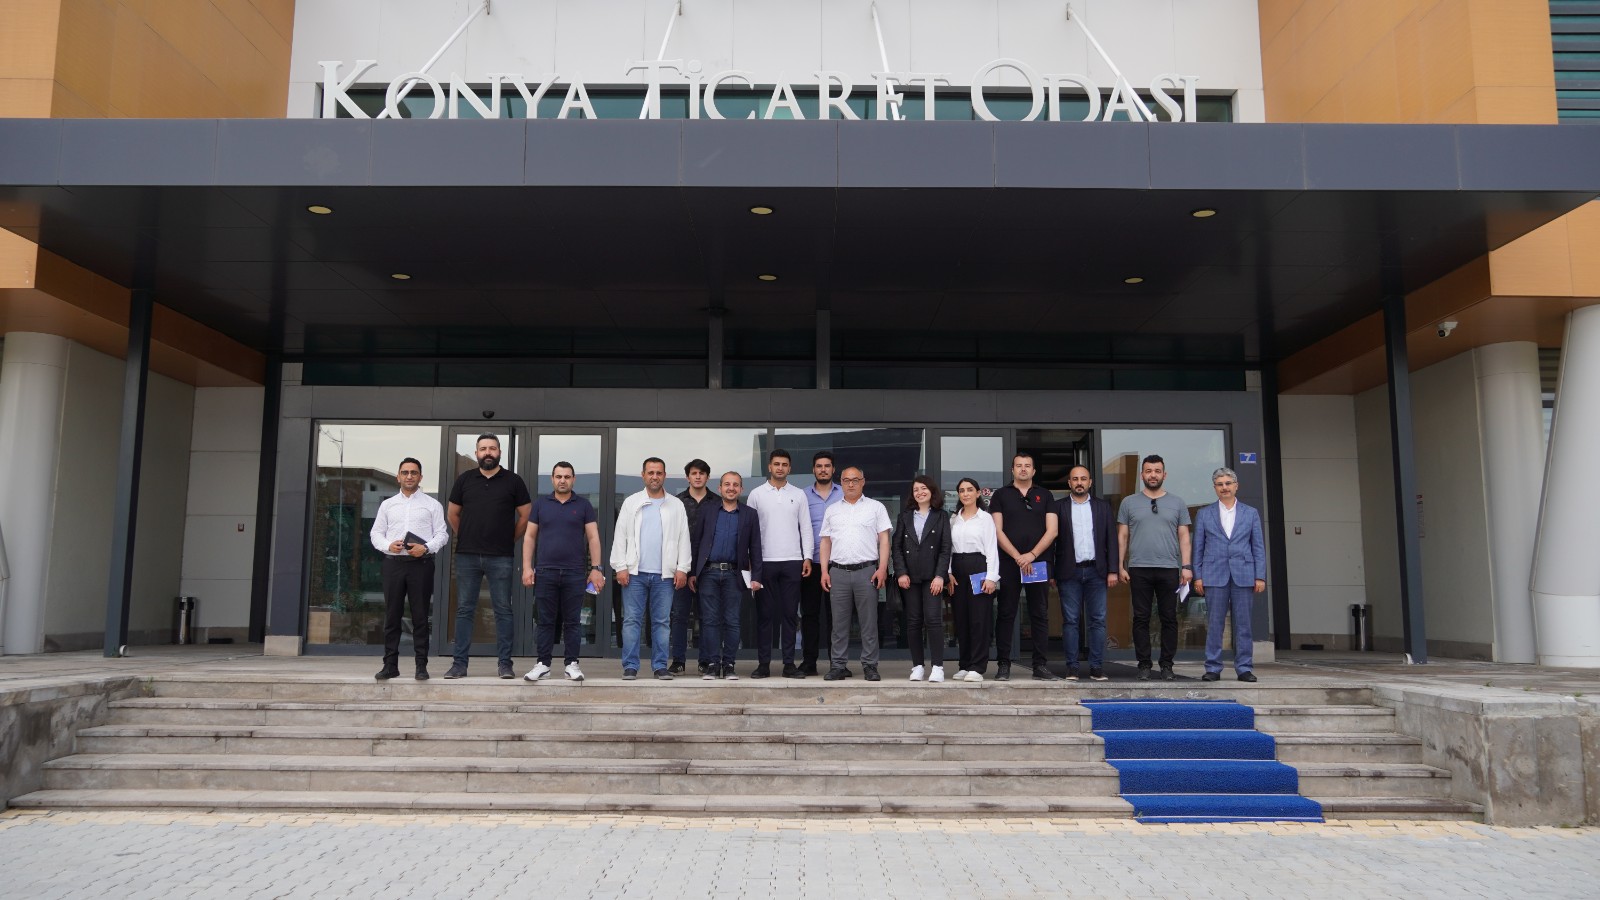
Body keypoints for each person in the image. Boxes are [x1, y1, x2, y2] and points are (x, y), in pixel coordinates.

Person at [445, 434, 532, 680]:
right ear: (477, 453)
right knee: (465, 610)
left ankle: (505, 664)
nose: (488, 452)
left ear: (499, 452)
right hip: (467, 556)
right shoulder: (465, 480)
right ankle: (459, 665)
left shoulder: (513, 481)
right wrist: (467, 535)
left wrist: (509, 539)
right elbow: (452, 514)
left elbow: (526, 515)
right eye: (483, 449)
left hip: (501, 556)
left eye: (492, 448)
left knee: (503, 610)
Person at [520, 461, 604, 683]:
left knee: (573, 621)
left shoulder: (584, 505)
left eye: (567, 477)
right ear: (552, 479)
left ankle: (572, 664)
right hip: (545, 571)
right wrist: (527, 567)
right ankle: (543, 664)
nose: (563, 480)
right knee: (545, 621)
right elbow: (529, 536)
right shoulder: (540, 505)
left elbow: (593, 537)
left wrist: (596, 568)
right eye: (559, 476)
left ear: (573, 479)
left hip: (574, 572)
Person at [610, 457, 692, 680]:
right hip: (634, 573)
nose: (655, 477)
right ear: (643, 475)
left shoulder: (676, 505)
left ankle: (660, 666)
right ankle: (630, 666)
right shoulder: (631, 502)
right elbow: (620, 536)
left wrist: (682, 568)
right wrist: (620, 566)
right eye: (651, 472)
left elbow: (683, 538)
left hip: (665, 575)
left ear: (664, 475)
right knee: (631, 621)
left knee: (662, 623)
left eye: (659, 473)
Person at [369, 457, 449, 681]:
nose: (409, 476)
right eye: (405, 472)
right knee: (392, 616)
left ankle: (421, 666)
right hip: (393, 564)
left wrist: (426, 548)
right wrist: (388, 545)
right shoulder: (387, 505)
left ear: (420, 477)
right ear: (398, 477)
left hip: (420, 565)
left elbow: (442, 534)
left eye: (414, 472)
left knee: (420, 616)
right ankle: (390, 665)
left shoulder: (432, 505)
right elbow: (376, 533)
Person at [1117, 454, 1193, 681]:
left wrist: (1186, 566)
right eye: (1148, 471)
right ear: (1142, 475)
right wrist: (1120, 565)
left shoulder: (1177, 503)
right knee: (1141, 618)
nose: (1153, 475)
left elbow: (1184, 537)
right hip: (1139, 568)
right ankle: (1144, 665)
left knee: (1169, 618)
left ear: (1164, 474)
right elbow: (1122, 536)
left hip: (1169, 568)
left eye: (1157, 471)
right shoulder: (1128, 503)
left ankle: (1167, 665)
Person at [989, 452, 1060, 681]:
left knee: (1039, 613)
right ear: (1012, 470)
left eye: (1027, 465)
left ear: (1033, 470)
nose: (1023, 469)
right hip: (1009, 562)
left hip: (1037, 562)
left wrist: (1031, 555)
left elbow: (1053, 530)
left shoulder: (1045, 495)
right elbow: (996, 530)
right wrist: (1018, 556)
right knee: (1006, 612)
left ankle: (1040, 665)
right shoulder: (1001, 495)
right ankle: (1003, 664)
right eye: (1018, 465)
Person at [1191, 467, 1265, 683]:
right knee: (1215, 624)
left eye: (1228, 483)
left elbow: (1258, 547)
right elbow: (1198, 547)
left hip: (1244, 574)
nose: (1224, 487)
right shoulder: (1204, 514)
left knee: (1244, 625)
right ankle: (1213, 667)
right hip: (1214, 575)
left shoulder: (1251, 513)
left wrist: (1260, 576)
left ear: (1236, 486)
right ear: (1215, 488)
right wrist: (1198, 576)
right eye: (1220, 484)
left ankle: (1244, 668)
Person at [819, 466, 892, 681]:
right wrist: (824, 571)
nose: (851, 484)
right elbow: (825, 542)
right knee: (838, 624)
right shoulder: (832, 510)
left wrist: (882, 568)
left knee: (869, 623)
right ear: (840, 483)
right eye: (846, 480)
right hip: (838, 572)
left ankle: (870, 665)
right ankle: (838, 665)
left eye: (855, 480)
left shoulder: (876, 508)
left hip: (866, 571)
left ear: (863, 482)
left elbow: (884, 540)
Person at [689, 471, 764, 680]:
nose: (731, 488)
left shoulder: (749, 514)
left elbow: (755, 547)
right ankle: (713, 665)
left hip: (734, 574)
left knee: (732, 621)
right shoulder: (708, 510)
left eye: (735, 485)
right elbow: (697, 543)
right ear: (720, 488)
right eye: (727, 484)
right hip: (708, 573)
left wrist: (756, 576)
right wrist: (692, 572)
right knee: (710, 621)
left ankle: (729, 664)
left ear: (741, 489)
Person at [745, 448, 812, 679]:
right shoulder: (756, 494)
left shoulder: (799, 494)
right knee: (765, 616)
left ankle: (789, 665)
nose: (780, 468)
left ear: (789, 468)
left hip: (792, 561)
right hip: (764, 562)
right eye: (776, 464)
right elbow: (749, 530)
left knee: (790, 615)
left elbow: (806, 527)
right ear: (769, 467)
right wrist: (751, 560)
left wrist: (807, 557)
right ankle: (763, 664)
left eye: (784, 464)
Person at [1053, 465, 1116, 682]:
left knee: (1098, 620)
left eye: (1083, 478)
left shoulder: (1102, 507)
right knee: (1070, 621)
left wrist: (1113, 570)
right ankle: (1072, 667)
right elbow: (1052, 541)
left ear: (1090, 482)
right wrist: (1051, 571)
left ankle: (1096, 667)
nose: (1079, 482)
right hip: (1068, 572)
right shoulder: (1058, 507)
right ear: (1069, 483)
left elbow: (1111, 539)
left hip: (1097, 572)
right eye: (1075, 479)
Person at [893, 475, 952, 683]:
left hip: (932, 577)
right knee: (913, 621)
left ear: (931, 490)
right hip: (909, 577)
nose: (920, 492)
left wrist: (940, 576)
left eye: (923, 488)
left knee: (934, 620)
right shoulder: (904, 516)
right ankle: (917, 666)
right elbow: (897, 547)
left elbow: (945, 548)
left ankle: (937, 667)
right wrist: (901, 573)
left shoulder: (941, 516)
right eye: (916, 489)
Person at [946, 478, 999, 682]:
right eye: (962, 490)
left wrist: (991, 577)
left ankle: (977, 666)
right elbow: (947, 549)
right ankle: (965, 664)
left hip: (979, 567)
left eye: (970, 490)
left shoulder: (985, 518)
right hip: (957, 569)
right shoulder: (954, 519)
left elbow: (992, 549)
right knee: (961, 619)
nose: (966, 493)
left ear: (978, 493)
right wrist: (948, 572)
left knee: (979, 619)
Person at [672, 458, 718, 676]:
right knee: (679, 616)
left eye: (702, 473)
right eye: (694, 473)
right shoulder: (677, 502)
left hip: (709, 568)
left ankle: (705, 661)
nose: (698, 476)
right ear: (687, 477)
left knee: (707, 617)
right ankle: (678, 661)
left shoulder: (717, 502)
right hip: (681, 567)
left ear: (708, 477)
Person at [800, 450, 842, 676]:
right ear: (813, 470)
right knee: (809, 615)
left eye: (827, 466)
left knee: (837, 616)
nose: (823, 470)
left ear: (833, 469)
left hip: (838, 564)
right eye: (819, 466)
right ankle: (809, 662)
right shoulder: (802, 496)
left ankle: (837, 663)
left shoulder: (844, 493)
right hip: (811, 563)